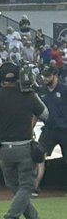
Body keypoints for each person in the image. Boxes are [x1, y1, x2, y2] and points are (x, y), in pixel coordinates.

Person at [0, 61, 47, 219]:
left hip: (3, 150)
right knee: (26, 187)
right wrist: (30, 91)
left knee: (16, 187)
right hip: (24, 147)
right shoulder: (28, 95)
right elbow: (45, 114)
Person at [35, 62, 67, 193]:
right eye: (44, 76)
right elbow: (36, 112)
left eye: (48, 76)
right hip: (49, 129)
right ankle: (35, 186)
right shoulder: (41, 92)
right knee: (38, 155)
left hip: (65, 129)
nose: (45, 78)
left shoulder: (64, 90)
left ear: (55, 75)